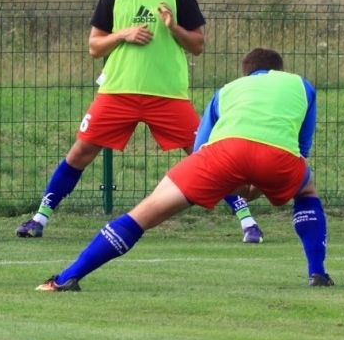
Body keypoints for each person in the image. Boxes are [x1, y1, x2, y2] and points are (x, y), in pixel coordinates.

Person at [17, 0, 264, 243]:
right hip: (118, 92)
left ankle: (248, 223)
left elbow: (197, 46)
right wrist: (123, 34)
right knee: (80, 153)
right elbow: (94, 47)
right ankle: (39, 219)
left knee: (207, 156)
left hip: (167, 94)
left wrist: (172, 27)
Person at [37, 47, 328, 291]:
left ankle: (67, 278)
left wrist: (230, 178)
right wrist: (259, 182)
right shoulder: (302, 85)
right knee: (307, 190)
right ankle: (317, 272)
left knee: (144, 213)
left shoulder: (226, 90)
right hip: (279, 160)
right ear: (280, 69)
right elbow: (301, 149)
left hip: (223, 155)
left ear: (246, 74)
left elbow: (200, 148)